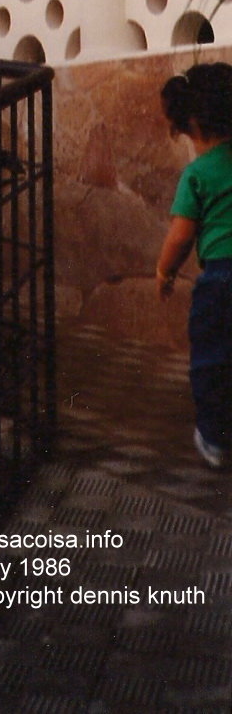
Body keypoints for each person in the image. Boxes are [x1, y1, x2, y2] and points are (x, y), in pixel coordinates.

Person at [156, 63, 232, 468]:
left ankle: (214, 439)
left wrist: (164, 272)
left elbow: (181, 235)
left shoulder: (198, 174)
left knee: (211, 359)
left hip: (222, 279)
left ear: (195, 124)